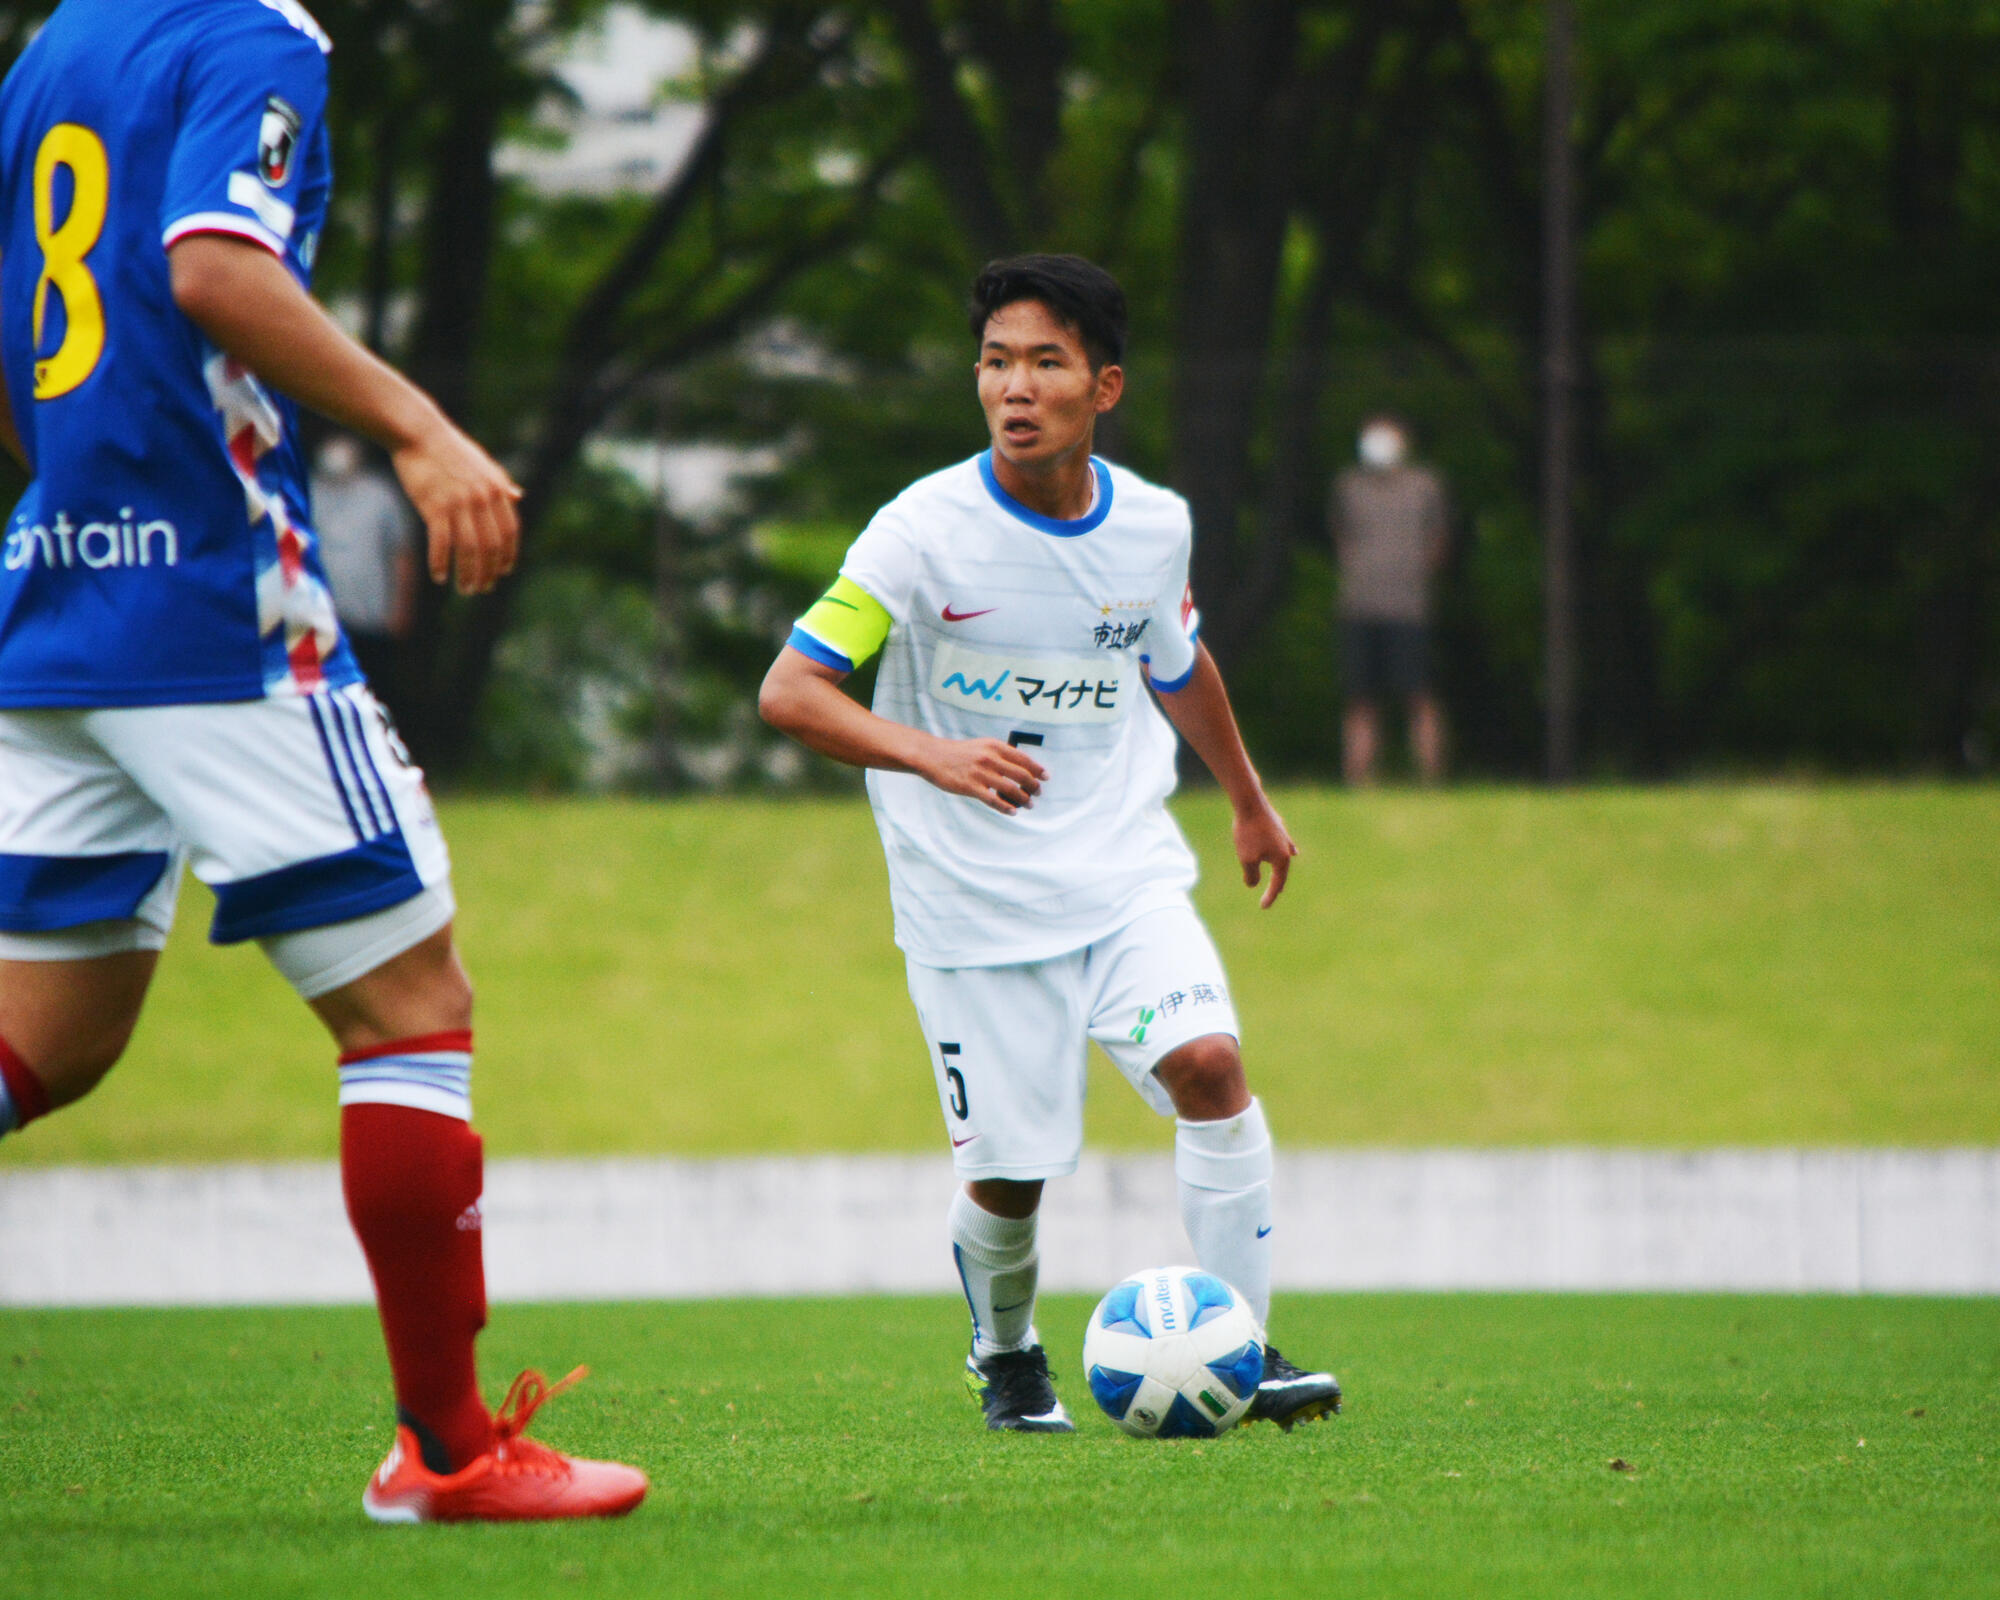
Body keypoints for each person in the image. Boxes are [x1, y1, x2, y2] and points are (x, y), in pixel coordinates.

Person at [0, 0, 645, 1522]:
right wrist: (421, 430)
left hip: (56, 605)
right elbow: (214, 265)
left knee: (49, 1038)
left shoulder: (59, 43)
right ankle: (449, 1456)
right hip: (217, 620)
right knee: (411, 1010)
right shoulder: (254, 32)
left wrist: (85, 486)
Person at [759, 254, 1342, 1434]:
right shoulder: (917, 534)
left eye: (1044, 362)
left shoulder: (1152, 529)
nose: (1013, 387)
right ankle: (1006, 1350)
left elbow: (1174, 663)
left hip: (1120, 873)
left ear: (1103, 386)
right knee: (1009, 1175)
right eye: (993, 362)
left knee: (1211, 1069)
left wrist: (1245, 796)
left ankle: (1246, 1343)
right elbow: (791, 692)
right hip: (968, 903)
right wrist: (935, 752)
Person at [1330, 413, 1449, 784]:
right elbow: (1341, 537)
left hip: (1408, 610)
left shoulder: (1425, 486)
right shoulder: (1348, 486)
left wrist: (1412, 575)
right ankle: (1358, 783)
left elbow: (1438, 541)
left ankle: (1431, 780)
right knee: (1360, 700)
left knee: (1418, 695)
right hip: (1358, 607)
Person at [311, 433, 417, 717]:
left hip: (370, 619)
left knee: (369, 695)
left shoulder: (381, 495)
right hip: (317, 616)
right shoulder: (307, 490)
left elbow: (402, 552)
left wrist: (401, 609)